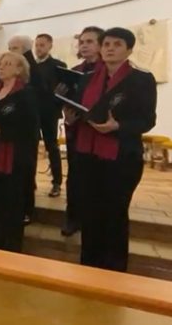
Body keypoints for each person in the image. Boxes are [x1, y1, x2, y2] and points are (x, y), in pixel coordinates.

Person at [64, 27, 157, 272]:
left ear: (129, 50)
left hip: (121, 157)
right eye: (106, 44)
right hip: (87, 155)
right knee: (89, 212)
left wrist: (118, 126)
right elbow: (80, 111)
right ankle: (89, 266)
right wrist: (71, 119)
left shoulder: (141, 79)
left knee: (114, 213)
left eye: (117, 44)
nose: (110, 49)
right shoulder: (86, 79)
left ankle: (114, 271)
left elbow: (147, 120)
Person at [0, 52, 38, 252]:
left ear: (19, 69)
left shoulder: (26, 94)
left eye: (7, 64)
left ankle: (12, 249)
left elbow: (30, 129)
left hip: (16, 158)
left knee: (14, 204)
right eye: (0, 63)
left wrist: (2, 132)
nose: (1, 67)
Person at [60, 26, 103, 237]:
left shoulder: (108, 72)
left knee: (97, 178)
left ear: (101, 45)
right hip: (77, 131)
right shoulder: (75, 71)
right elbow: (66, 100)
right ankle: (73, 217)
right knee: (75, 176)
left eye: (90, 41)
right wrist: (66, 114)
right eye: (82, 42)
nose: (84, 45)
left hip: (101, 132)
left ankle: (93, 219)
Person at [7, 35, 40, 223]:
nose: (11, 52)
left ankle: (26, 209)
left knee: (25, 173)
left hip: (24, 135)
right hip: (6, 136)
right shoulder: (7, 78)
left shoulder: (32, 75)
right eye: (9, 48)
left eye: (15, 48)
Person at [33, 34, 67, 197]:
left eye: (42, 45)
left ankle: (57, 183)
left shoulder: (58, 66)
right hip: (32, 113)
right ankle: (30, 181)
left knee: (52, 147)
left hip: (49, 113)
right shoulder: (30, 65)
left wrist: (55, 105)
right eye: (37, 45)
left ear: (50, 46)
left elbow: (63, 91)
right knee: (30, 147)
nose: (38, 48)